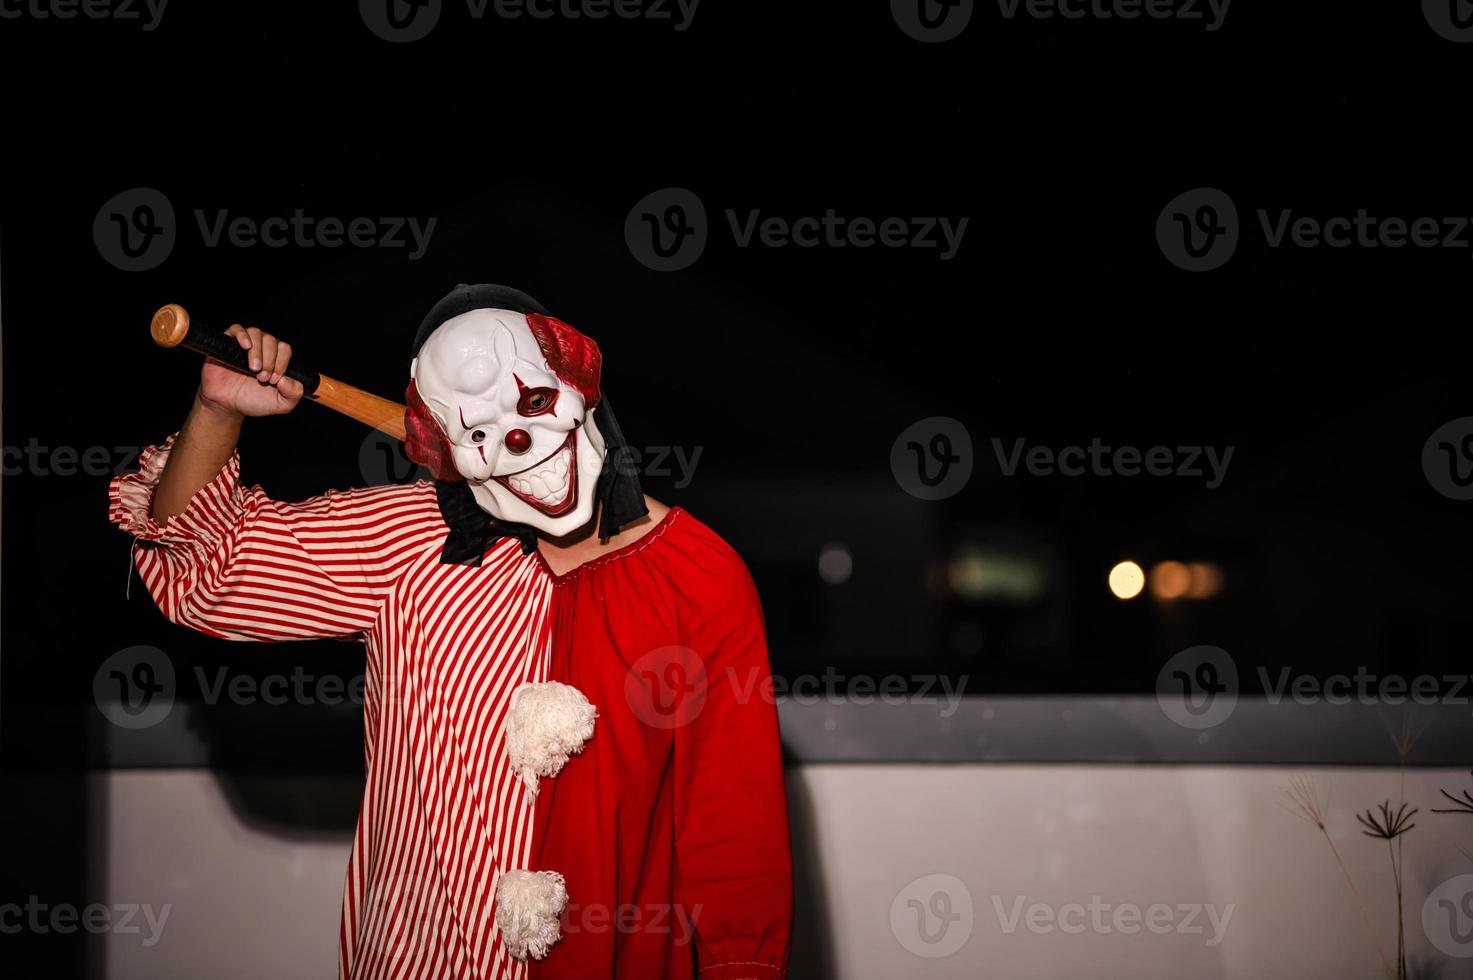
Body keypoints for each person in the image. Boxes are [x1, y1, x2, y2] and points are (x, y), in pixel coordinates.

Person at [108, 284, 794, 980]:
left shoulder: (696, 579)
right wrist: (217, 413)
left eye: (530, 402)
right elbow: (204, 577)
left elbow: (733, 830)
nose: (517, 439)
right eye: (474, 429)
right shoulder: (406, 541)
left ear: (579, 381)